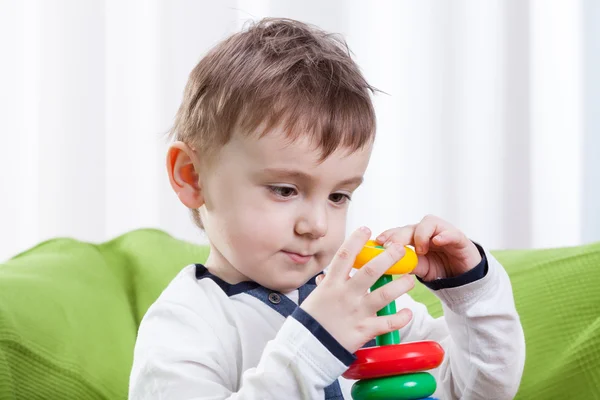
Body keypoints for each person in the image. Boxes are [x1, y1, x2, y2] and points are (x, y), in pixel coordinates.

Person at [128, 17, 525, 399]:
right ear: (192, 177)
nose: (316, 225)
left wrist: (469, 288)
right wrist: (316, 343)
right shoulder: (186, 323)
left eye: (339, 196)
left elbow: (478, 391)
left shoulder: (367, 298)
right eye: (284, 190)